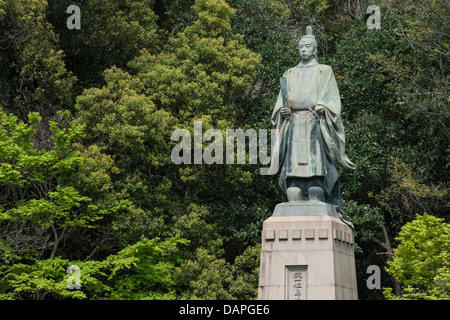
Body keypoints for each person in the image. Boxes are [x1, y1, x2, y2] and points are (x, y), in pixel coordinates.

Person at [268, 26, 356, 213]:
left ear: (315, 49)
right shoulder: (289, 73)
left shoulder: (324, 71)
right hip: (292, 125)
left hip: (315, 123)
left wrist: (323, 106)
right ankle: (294, 188)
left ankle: (318, 188)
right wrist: (281, 111)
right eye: (300, 47)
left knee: (316, 176)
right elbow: (279, 104)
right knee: (292, 181)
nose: (303, 50)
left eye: (307, 46)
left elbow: (332, 99)